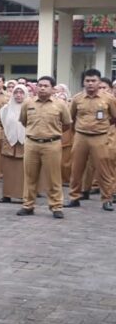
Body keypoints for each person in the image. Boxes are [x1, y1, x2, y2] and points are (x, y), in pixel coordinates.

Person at [19, 76, 72, 218]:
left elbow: (67, 124)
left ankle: (56, 206)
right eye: (40, 85)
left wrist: (53, 133)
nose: (42, 88)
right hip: (31, 143)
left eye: (46, 86)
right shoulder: (28, 103)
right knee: (30, 176)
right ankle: (28, 205)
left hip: (52, 144)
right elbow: (24, 121)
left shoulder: (60, 104)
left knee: (54, 177)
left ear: (52, 89)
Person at [65, 69, 116, 211]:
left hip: (100, 137)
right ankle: (74, 197)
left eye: (93, 81)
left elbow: (114, 117)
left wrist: (102, 127)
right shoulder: (77, 99)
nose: (90, 84)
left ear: (99, 82)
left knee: (103, 169)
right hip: (81, 136)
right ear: (83, 82)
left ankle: (107, 199)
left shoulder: (108, 99)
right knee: (76, 168)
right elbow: (71, 118)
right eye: (87, 81)